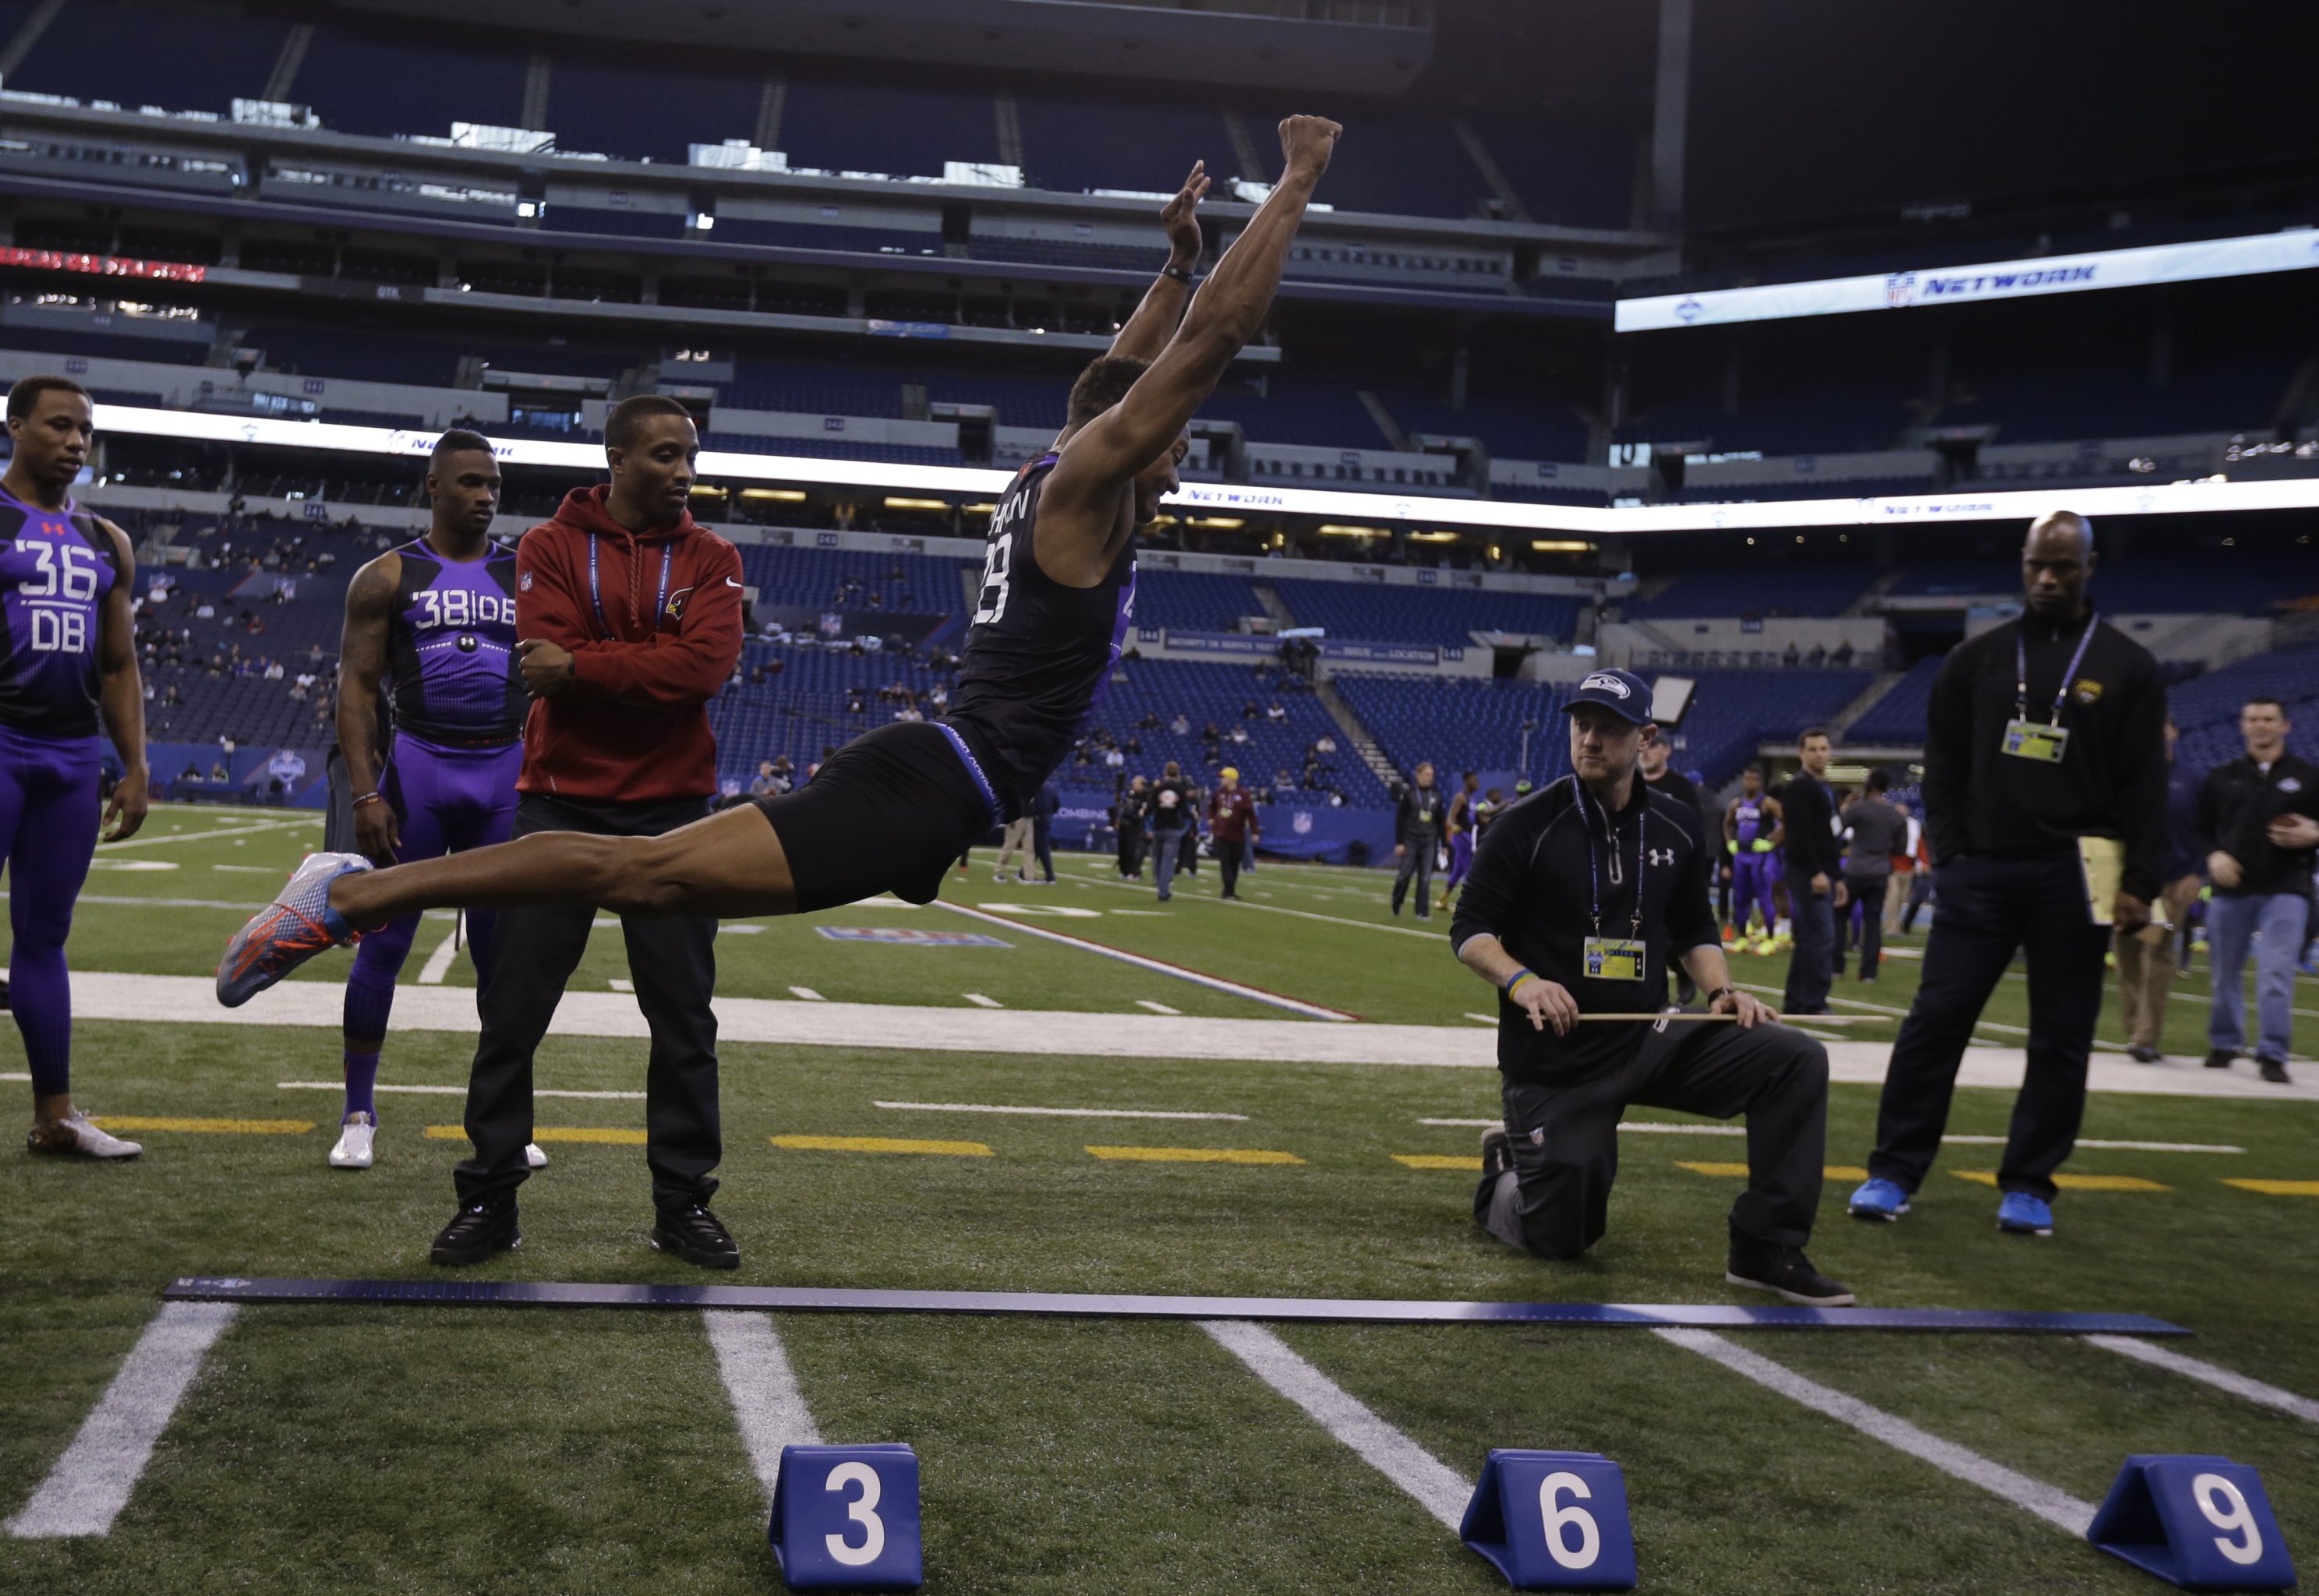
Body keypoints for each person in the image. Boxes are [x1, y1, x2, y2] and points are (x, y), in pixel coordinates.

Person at [220, 122, 1345, 1082]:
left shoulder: (1054, 469)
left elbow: (1103, 385)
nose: (1177, 469)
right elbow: (1203, 353)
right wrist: (1293, 181)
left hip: (939, 771)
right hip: (940, 781)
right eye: (1170, 450)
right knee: (640, 874)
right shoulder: (1092, 481)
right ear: (1121, 445)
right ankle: (359, 896)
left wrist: (1172, 269)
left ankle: (370, 899)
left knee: (650, 885)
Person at [1455, 669, 1850, 1305]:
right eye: (1581, 726)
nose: (1589, 740)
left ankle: (1765, 1246)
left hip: (1651, 1034)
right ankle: (1502, 1172)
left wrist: (1721, 993)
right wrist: (1522, 982)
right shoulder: (1525, 824)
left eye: (1607, 729)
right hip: (1560, 1058)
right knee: (1561, 1236)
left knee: (1793, 1059)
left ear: (1643, 738)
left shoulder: (1676, 823)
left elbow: (1693, 926)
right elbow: (1470, 929)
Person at [1849, 511, 2165, 1238]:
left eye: (2063, 567)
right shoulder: (1977, 660)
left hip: (2077, 874)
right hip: (1981, 872)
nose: (2048, 579)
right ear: (2022, 567)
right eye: (2036, 567)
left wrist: (2139, 882)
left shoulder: (2127, 667)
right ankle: (1892, 1170)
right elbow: (1943, 766)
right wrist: (1953, 858)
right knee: (1934, 1023)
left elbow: (2143, 783)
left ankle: (2028, 1184)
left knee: (2060, 1037)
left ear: (2090, 568)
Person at [327, 430, 539, 1174]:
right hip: (418, 770)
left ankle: (504, 1117)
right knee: (382, 946)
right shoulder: (386, 575)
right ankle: (358, 1111)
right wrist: (364, 789)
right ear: (434, 487)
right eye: (471, 482)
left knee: (502, 958)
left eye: (495, 486)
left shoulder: (530, 574)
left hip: (504, 776)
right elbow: (354, 687)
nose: (485, 496)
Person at [5, 377, 151, 1159]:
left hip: (68, 754)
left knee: (44, 935)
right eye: (59, 425)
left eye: (85, 430)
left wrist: (135, 763)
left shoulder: (106, 540)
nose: (75, 441)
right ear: (15, 426)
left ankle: (55, 1113)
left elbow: (119, 664)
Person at [2196, 697, 2317, 1082]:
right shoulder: (2221, 776)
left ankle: (2272, 1052)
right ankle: (2226, 1041)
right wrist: (2214, 855)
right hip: (2232, 888)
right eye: (2253, 719)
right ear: (2243, 726)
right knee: (2223, 972)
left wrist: (2315, 834)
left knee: (2277, 971)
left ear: (2285, 726)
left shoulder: (2310, 776)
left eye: (2268, 719)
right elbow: (2200, 830)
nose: (2261, 725)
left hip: (2287, 886)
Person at [2116, 715, 2204, 1063]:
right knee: (2127, 959)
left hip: (2172, 882)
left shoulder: (2194, 780)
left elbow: (2208, 831)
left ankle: (2145, 1038)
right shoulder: (2124, 779)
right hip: (2128, 884)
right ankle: (2136, 1029)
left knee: (2159, 954)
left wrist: (2197, 874)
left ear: (2173, 732)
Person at [1779, 730, 1844, 1014]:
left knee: (1809, 938)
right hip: (1808, 871)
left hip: (1822, 869)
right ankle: (1813, 1002)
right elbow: (1799, 834)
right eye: (1813, 749)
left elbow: (1828, 836)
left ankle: (1797, 1001)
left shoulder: (1822, 786)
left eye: (1823, 748)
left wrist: (1837, 876)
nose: (1819, 754)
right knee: (1821, 937)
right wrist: (1817, 872)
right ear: (1801, 754)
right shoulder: (1800, 787)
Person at [1835, 771, 1905, 983]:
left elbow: (1836, 829)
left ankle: (1836, 967)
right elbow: (1900, 849)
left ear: (1870, 785)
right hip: (1880, 872)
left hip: (1855, 870)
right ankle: (1869, 973)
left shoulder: (1859, 809)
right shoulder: (1895, 815)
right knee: (1873, 923)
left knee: (1839, 916)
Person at [1723, 767, 1785, 954]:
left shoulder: (1767, 803)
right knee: (1740, 898)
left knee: (1765, 896)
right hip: (1741, 856)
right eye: (1747, 779)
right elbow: (1726, 823)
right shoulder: (1736, 803)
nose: (1750, 782)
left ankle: (1770, 939)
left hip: (1760, 857)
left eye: (1754, 779)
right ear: (1743, 781)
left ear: (1760, 782)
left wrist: (1771, 843)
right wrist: (1729, 842)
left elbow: (1786, 823)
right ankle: (1742, 936)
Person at [1391, 761, 1447, 919]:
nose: (1430, 778)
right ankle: (1397, 900)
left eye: (1432, 775)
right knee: (1405, 874)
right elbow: (1400, 819)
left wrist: (1445, 844)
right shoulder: (1409, 794)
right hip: (1411, 839)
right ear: (1418, 775)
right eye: (1427, 774)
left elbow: (1441, 821)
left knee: (1425, 877)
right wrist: (1400, 842)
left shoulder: (1436, 795)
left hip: (1429, 840)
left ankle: (1421, 911)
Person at [1207, 765, 1259, 899]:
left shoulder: (1243, 794)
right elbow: (1211, 806)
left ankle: (1229, 890)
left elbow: (1251, 814)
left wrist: (1255, 832)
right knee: (1225, 862)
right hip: (1221, 833)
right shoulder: (1219, 793)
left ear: (1231, 779)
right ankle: (1228, 889)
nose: (1221, 779)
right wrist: (1211, 818)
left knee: (1235, 863)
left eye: (1223, 777)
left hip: (1237, 834)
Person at [1437, 769, 1482, 913]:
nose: (1477, 782)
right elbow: (1450, 818)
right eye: (1474, 780)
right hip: (1461, 838)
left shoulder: (1473, 799)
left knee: (1457, 871)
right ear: (1467, 781)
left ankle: (1442, 901)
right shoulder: (1461, 797)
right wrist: (1454, 827)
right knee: (1470, 870)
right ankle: (1471, 905)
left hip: (1469, 838)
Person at [1150, 759, 1193, 900]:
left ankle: (1160, 884)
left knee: (1157, 859)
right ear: (1178, 774)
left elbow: (1149, 809)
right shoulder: (1180, 790)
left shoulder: (1158, 789)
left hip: (1158, 827)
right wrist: (1192, 818)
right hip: (1173, 829)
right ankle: (1163, 890)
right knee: (1168, 861)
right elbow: (1185, 813)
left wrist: (1147, 825)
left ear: (1165, 772)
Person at [1881, 798, 1918, 941]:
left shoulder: (1915, 825)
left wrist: (1921, 863)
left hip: (1908, 866)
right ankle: (1891, 927)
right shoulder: (1888, 824)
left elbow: (1919, 844)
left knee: (1902, 899)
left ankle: (1895, 925)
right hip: (1893, 866)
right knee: (1893, 896)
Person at [1114, 774, 1151, 878]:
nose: (1133, 785)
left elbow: (1142, 812)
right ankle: (1124, 871)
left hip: (1134, 825)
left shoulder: (1145, 796)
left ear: (1142, 785)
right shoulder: (1130, 794)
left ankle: (1133, 871)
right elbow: (1124, 807)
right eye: (1133, 783)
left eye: (1136, 783)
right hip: (1124, 824)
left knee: (1132, 849)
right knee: (1123, 849)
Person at [992, 807, 1037, 883]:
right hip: (1017, 819)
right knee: (1009, 847)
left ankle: (1029, 876)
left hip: (1029, 818)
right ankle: (1000, 872)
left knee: (1030, 848)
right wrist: (1011, 818)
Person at [1032, 779, 1060, 885]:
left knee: (1042, 847)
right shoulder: (1051, 786)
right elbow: (1057, 805)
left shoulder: (1038, 786)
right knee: (1039, 846)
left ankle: (1050, 876)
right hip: (1048, 818)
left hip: (1039, 818)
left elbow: (1036, 803)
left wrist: (1036, 814)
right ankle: (1024, 871)